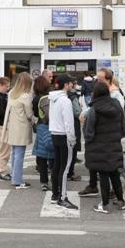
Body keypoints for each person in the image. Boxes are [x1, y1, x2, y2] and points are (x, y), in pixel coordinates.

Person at [85, 81, 125, 213]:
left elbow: (88, 132)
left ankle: (105, 204)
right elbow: (124, 127)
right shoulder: (117, 104)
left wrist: (90, 141)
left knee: (103, 175)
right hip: (114, 145)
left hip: (98, 147)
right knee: (115, 174)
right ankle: (121, 201)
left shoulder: (94, 109)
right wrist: (116, 137)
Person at [46, 75, 77, 209]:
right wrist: (72, 139)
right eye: (71, 84)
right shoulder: (66, 100)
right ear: (66, 85)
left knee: (57, 166)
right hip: (64, 135)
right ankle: (62, 197)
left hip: (54, 133)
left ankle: (55, 194)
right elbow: (68, 122)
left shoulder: (53, 98)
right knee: (64, 168)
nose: (72, 86)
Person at [3, 73, 35, 189]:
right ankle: (17, 180)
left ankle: (14, 177)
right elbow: (29, 114)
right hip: (22, 128)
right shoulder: (25, 96)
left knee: (15, 153)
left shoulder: (11, 93)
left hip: (12, 127)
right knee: (20, 154)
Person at [33, 85, 55, 189]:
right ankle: (52, 181)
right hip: (50, 127)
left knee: (43, 156)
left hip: (42, 126)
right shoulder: (51, 99)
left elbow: (37, 113)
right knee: (51, 155)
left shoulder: (42, 99)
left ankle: (44, 182)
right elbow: (50, 115)